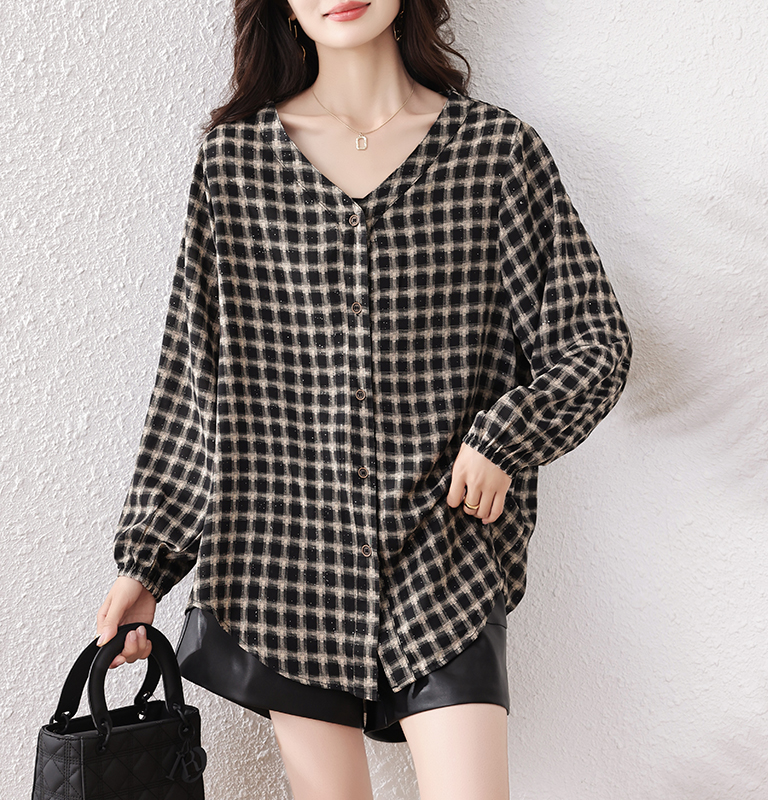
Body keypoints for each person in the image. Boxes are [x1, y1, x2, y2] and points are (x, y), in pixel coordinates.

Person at [95, 1, 632, 798]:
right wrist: (149, 562)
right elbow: (190, 378)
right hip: (286, 566)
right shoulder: (236, 164)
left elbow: (595, 345)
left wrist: (505, 437)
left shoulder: (496, 154)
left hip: (448, 560)